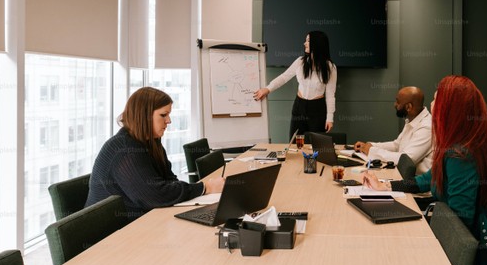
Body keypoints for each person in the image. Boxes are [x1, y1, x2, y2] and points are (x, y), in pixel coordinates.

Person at [363, 76, 487, 265]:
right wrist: (386, 185)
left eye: (436, 100)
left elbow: (459, 222)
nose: (431, 105)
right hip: (462, 237)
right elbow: (428, 178)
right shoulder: (465, 142)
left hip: (473, 250)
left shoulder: (461, 155)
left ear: (450, 111)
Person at [85, 87, 224, 219]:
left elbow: (169, 180)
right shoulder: (124, 149)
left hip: (144, 221)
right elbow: (154, 195)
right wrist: (205, 187)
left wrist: (192, 191)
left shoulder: (151, 142)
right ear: (143, 116)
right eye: (163, 115)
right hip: (113, 234)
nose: (169, 121)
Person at [254, 31, 337, 137]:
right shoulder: (300, 62)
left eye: (308, 41)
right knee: (295, 144)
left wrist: (330, 118)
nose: (304, 43)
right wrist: (267, 89)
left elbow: (330, 95)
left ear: (317, 43)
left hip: (317, 110)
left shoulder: (330, 67)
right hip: (299, 106)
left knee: (316, 146)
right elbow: (284, 77)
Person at [354, 86, 433, 174]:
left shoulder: (427, 127)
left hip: (417, 183)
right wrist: (371, 145)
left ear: (408, 107)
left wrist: (372, 151)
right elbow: (396, 145)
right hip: (404, 176)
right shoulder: (412, 119)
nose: (395, 104)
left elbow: (406, 160)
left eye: (398, 102)